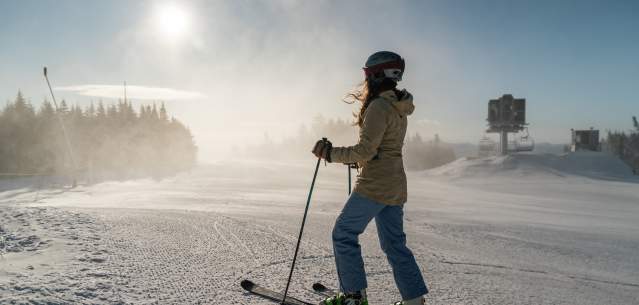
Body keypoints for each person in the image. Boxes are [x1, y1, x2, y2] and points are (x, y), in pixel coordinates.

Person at [312, 51, 428, 305]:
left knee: (343, 233)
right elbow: (383, 149)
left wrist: (330, 153)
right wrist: (362, 160)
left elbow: (366, 150)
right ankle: (414, 301)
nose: (365, 80)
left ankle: (353, 297)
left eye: (367, 75)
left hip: (375, 185)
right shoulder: (398, 107)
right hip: (395, 184)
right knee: (395, 244)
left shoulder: (378, 106)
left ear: (377, 74)